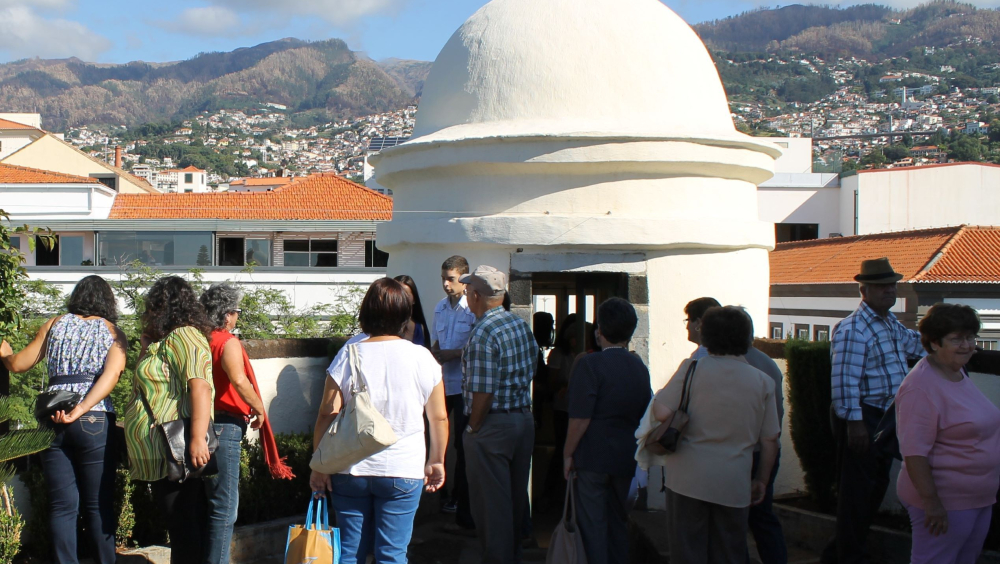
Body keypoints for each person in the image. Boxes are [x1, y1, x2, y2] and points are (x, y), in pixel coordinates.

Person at [309, 278, 448, 564]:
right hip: (403, 467)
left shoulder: (349, 353)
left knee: (349, 552)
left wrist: (319, 463)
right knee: (392, 554)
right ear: (405, 314)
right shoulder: (422, 357)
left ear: (366, 312)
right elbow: (438, 416)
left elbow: (327, 412)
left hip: (350, 466)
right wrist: (436, 460)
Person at [0, 276, 127, 564]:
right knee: (97, 506)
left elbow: (19, 364)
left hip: (52, 415)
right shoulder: (113, 332)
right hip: (93, 418)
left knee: (62, 507)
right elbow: (112, 375)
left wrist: (6, 354)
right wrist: (81, 408)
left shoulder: (54, 324)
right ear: (108, 301)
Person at [653, 306, 780, 563]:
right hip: (733, 480)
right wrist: (761, 480)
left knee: (687, 552)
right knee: (729, 553)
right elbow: (770, 440)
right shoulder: (763, 381)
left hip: (687, 477)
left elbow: (662, 411)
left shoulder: (691, 369)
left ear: (706, 336)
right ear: (747, 338)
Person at [823, 258, 925, 564]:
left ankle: (838, 554)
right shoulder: (854, 329)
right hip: (863, 416)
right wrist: (855, 424)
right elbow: (844, 381)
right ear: (863, 290)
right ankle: (849, 557)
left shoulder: (889, 323)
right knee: (857, 494)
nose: (889, 290)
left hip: (885, 417)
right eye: (882, 286)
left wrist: (954, 344)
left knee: (873, 489)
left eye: (892, 285)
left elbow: (917, 346)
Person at [896, 303, 1000, 564]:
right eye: (956, 339)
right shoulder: (921, 387)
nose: (966, 345)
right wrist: (932, 504)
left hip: (978, 498)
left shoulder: (956, 371)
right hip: (947, 503)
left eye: (970, 337)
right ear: (934, 343)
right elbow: (914, 453)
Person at [124, 276, 215, 563]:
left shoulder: (185, 335)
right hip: (163, 450)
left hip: (177, 448)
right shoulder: (165, 341)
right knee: (180, 524)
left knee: (183, 524)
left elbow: (200, 386)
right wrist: (145, 346)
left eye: (153, 306)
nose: (148, 313)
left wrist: (198, 439)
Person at [200, 283, 293, 564]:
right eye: (237, 311)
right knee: (225, 507)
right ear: (227, 314)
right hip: (224, 425)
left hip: (199, 424)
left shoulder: (198, 339)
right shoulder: (226, 342)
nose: (237, 316)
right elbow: (239, 380)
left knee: (206, 505)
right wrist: (259, 407)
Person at [562, 298, 651, 564]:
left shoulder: (590, 364)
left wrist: (567, 454)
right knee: (618, 525)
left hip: (593, 457)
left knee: (593, 527)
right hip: (626, 456)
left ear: (599, 329)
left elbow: (580, 418)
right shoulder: (639, 366)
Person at [461, 265, 539, 564]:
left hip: (493, 424)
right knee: (515, 502)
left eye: (468, 291)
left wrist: (473, 428)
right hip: (522, 418)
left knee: (492, 508)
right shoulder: (518, 323)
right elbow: (533, 366)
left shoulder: (483, 332)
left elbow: (483, 391)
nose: (466, 296)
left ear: (476, 296)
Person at [429, 256, 478, 531]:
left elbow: (475, 347)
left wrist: (454, 354)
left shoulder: (471, 308)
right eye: (443, 279)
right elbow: (437, 339)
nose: (446, 284)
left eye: (451, 279)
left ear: (464, 278)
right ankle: (436, 494)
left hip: (462, 386)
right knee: (435, 438)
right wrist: (437, 352)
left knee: (461, 443)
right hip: (441, 384)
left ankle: (460, 500)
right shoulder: (440, 307)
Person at [742, 315, 787, 564]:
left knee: (737, 522)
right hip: (768, 450)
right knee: (763, 517)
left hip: (748, 450)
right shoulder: (768, 362)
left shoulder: (740, 365)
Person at [393, 274, 430, 348]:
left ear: (414, 299)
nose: (401, 299)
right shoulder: (385, 328)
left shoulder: (420, 328)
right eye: (397, 294)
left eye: (406, 295)